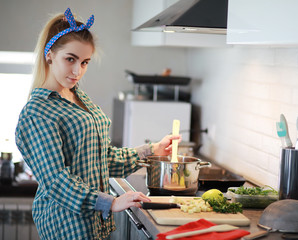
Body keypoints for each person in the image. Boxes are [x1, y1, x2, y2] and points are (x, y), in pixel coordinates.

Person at [15, 8, 180, 240]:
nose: (77, 71)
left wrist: (152, 151)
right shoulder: (38, 112)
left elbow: (101, 159)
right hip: (66, 225)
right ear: (49, 54)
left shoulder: (77, 97)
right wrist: (110, 202)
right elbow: (55, 181)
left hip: (93, 223)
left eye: (84, 62)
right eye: (70, 59)